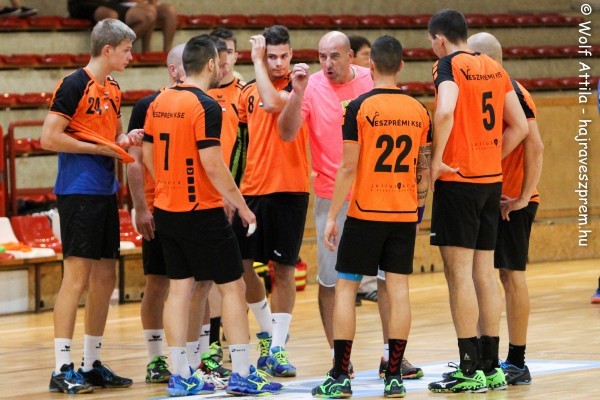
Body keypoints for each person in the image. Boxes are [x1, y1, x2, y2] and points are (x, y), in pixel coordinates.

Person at [278, 30, 424, 380]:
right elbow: (286, 132)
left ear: (351, 57)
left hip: (378, 195)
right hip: (334, 196)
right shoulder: (310, 86)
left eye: (334, 56)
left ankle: (392, 357)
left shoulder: (372, 83)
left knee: (388, 281)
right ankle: (338, 359)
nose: (327, 64)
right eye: (322, 57)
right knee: (332, 283)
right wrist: (297, 94)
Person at [142, 34, 282, 397]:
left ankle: (180, 374)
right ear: (209, 65)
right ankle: (242, 372)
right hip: (201, 211)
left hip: (167, 208)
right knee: (233, 286)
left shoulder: (159, 101)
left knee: (180, 288)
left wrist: (167, 185)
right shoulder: (205, 105)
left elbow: (147, 155)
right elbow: (214, 164)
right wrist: (241, 205)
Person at [311, 34, 432, 399]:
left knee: (346, 288)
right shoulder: (419, 110)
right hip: (403, 214)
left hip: (365, 213)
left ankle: (340, 375)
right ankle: (393, 376)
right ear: (401, 66)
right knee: (398, 290)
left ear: (371, 65)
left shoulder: (358, 108)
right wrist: (416, 210)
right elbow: (422, 171)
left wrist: (333, 216)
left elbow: (348, 167)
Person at [425, 9, 529, 393]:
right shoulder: (494, 67)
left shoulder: (448, 66)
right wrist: (489, 157)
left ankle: (469, 369)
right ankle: (492, 366)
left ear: (439, 39)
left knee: (459, 275)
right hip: (490, 182)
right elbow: (519, 126)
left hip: (458, 181)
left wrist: (437, 161)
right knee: (484, 273)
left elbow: (445, 111)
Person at [41, 18, 141, 394]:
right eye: (126, 50)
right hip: (77, 191)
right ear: (107, 50)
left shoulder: (113, 88)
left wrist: (124, 139)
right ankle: (61, 367)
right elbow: (49, 137)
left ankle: (90, 363)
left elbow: (111, 136)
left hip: (104, 191)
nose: (131, 56)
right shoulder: (73, 84)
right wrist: (99, 148)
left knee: (105, 279)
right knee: (76, 279)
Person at [467, 32, 544, 386]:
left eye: (469, 56)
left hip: (511, 200)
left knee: (511, 275)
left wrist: (524, 196)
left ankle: (517, 360)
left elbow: (535, 145)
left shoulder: (512, 90)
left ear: (484, 58)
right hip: (489, 197)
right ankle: (485, 357)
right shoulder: (484, 89)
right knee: (484, 275)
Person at [232, 25, 309, 378]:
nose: (279, 63)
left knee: (284, 269)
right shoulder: (245, 91)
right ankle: (268, 331)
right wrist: (232, 192)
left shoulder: (300, 85)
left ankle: (278, 347)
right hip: (251, 188)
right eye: (272, 57)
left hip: (289, 188)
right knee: (242, 265)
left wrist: (256, 62)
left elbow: (273, 103)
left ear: (291, 55)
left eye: (284, 56)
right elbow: (240, 144)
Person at [202, 27, 246, 367]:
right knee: (208, 277)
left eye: (229, 51)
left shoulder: (244, 92)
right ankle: (212, 341)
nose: (224, 59)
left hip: (239, 193)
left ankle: (251, 338)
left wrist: (239, 192)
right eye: (219, 53)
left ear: (236, 55)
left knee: (239, 273)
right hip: (205, 195)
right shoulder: (197, 94)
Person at [67, 0, 177, 52]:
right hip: (87, 3)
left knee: (150, 14)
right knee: (111, 15)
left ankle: (165, 53)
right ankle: (108, 52)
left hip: (112, 4)